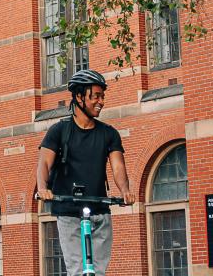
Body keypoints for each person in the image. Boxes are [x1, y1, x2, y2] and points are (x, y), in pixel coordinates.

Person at [35, 68, 137, 276]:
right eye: (96, 96)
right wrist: (43, 188)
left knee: (97, 272)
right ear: (80, 97)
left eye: (102, 96)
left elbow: (118, 166)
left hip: (99, 210)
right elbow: (44, 163)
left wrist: (125, 190)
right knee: (77, 271)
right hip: (68, 211)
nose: (101, 101)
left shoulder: (109, 133)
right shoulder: (59, 131)